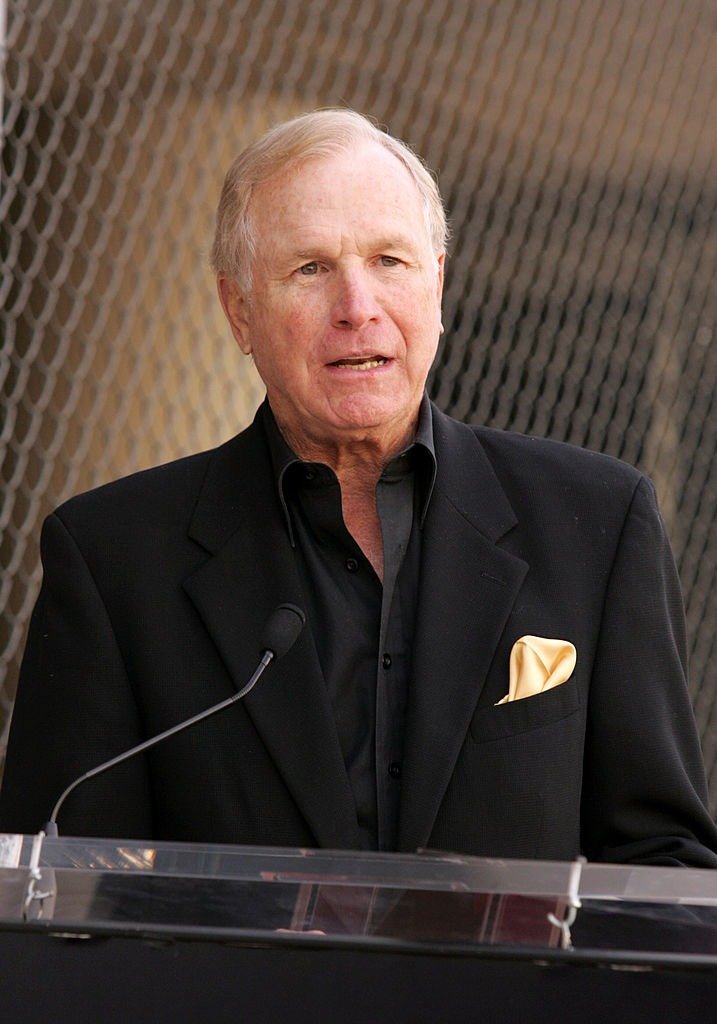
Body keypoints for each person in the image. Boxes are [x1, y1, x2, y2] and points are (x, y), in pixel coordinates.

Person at [1, 109, 715, 866]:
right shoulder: (114, 559)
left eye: (388, 262)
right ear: (239, 312)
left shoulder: (596, 523)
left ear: (436, 285)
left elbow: (661, 860)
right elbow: (61, 879)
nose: (357, 308)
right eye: (310, 269)